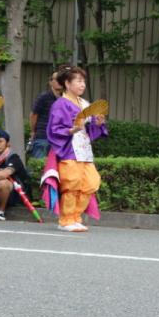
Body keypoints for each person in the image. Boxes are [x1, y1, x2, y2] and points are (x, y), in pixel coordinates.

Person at [45, 65, 107, 232]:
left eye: (83, 81)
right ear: (67, 83)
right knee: (71, 183)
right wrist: (70, 130)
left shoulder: (85, 103)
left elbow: (91, 130)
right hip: (69, 149)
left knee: (91, 183)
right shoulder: (60, 104)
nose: (82, 84)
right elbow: (54, 129)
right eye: (78, 81)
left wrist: (97, 123)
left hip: (84, 150)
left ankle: (75, 216)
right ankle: (66, 219)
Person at [0, 129, 31, 221]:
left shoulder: (13, 157)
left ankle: (0, 211)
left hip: (15, 194)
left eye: (0, 141)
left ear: (7, 143)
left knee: (2, 182)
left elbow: (3, 175)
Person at [27, 72, 62, 160]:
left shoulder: (65, 98)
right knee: (39, 164)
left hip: (58, 138)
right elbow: (33, 114)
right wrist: (33, 131)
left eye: (61, 79)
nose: (59, 81)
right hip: (43, 136)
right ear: (50, 82)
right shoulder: (44, 97)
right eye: (56, 79)